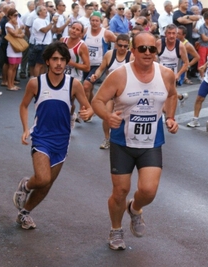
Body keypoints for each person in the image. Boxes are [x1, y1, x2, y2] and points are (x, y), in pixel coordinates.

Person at [91, 31, 178, 250]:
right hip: (123, 143)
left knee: (148, 191)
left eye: (152, 49)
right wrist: (107, 116)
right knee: (120, 191)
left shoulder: (166, 74)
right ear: (133, 51)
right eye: (142, 49)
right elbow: (98, 101)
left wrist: (170, 118)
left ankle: (135, 209)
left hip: (152, 142)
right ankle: (116, 228)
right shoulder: (120, 75)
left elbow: (172, 95)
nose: (148, 53)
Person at [12, 41, 93, 230]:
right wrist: (25, 129)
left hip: (62, 141)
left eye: (62, 59)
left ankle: (24, 213)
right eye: (55, 59)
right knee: (42, 179)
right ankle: (26, 184)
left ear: (67, 62)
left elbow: (87, 106)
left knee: (47, 185)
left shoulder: (74, 84)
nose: (58, 63)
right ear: (47, 61)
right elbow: (23, 105)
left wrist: (88, 112)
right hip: (41, 137)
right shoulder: (35, 83)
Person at [89, 34, 134, 149]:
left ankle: (127, 139)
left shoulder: (131, 57)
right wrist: (96, 76)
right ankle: (107, 138)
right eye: (120, 45)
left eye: (125, 46)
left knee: (127, 117)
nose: (123, 48)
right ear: (115, 44)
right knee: (107, 115)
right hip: (110, 91)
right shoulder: (109, 55)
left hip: (125, 91)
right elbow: (101, 68)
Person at [61, 21, 91, 128]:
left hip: (74, 78)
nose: (74, 31)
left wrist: (71, 63)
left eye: (77, 29)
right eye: (73, 28)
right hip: (60, 75)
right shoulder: (62, 40)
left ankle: (69, 117)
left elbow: (87, 67)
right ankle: (66, 117)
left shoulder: (82, 46)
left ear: (81, 34)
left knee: (68, 101)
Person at [83, 11, 116, 106]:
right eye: (92, 20)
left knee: (86, 86)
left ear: (100, 22)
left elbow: (119, 41)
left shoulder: (106, 33)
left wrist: (114, 56)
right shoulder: (85, 31)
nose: (94, 23)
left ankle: (87, 109)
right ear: (89, 21)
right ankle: (94, 107)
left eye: (97, 21)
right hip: (86, 64)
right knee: (89, 88)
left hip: (99, 65)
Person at [156, 24, 189, 103]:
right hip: (160, 75)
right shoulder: (159, 43)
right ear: (165, 34)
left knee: (168, 98)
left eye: (174, 33)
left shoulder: (180, 46)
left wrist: (178, 74)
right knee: (161, 97)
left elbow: (186, 63)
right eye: (169, 33)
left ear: (176, 34)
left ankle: (179, 98)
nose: (171, 36)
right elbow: (152, 58)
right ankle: (181, 97)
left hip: (172, 77)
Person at [5, 8, 24, 91]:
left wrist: (18, 33)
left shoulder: (17, 24)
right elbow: (15, 33)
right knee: (11, 66)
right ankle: (9, 85)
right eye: (15, 15)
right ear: (10, 16)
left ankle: (12, 83)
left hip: (18, 47)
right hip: (12, 47)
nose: (16, 17)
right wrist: (16, 27)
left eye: (17, 15)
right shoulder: (8, 25)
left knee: (15, 66)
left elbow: (22, 34)